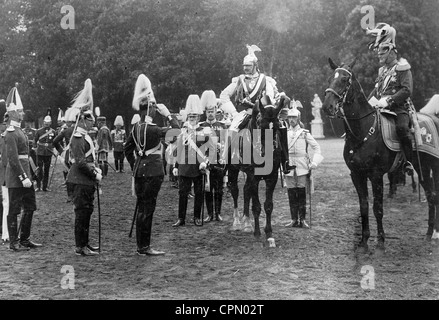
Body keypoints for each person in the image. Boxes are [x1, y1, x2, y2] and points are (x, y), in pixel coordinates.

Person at [124, 74, 180, 256]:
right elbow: (176, 133)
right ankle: (144, 247)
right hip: (153, 172)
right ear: (149, 110)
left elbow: (127, 149)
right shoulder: (154, 129)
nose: (156, 111)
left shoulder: (135, 128)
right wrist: (169, 115)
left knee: (142, 208)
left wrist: (135, 165)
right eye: (154, 108)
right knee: (148, 210)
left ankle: (141, 246)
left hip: (139, 172)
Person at [366, 23, 414, 176]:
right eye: (378, 51)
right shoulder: (382, 71)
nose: (379, 54)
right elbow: (377, 90)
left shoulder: (402, 67)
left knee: (401, 129)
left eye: (382, 51)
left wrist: (389, 100)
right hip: (380, 109)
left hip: (399, 108)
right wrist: (367, 102)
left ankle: (408, 162)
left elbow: (406, 90)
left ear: (391, 51)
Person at [66, 78, 101, 256]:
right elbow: (80, 162)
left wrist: (95, 170)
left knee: (87, 212)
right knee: (82, 213)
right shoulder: (78, 137)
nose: (92, 124)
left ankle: (85, 243)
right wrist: (94, 173)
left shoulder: (85, 136)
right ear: (82, 121)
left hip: (85, 180)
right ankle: (80, 246)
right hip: (80, 180)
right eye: (89, 121)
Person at [4, 86, 42, 251]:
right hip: (16, 177)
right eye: (19, 111)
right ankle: (13, 241)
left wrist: (30, 175)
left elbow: (26, 156)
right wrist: (23, 177)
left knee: (30, 206)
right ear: (12, 113)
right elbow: (13, 160)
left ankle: (25, 238)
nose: (22, 113)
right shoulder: (11, 132)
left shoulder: (19, 130)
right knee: (13, 210)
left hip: (26, 175)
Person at [172, 94, 210, 227]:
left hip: (199, 166)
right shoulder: (183, 132)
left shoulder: (204, 131)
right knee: (182, 193)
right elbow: (179, 149)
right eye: (190, 116)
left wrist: (206, 162)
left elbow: (209, 149)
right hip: (184, 165)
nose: (192, 118)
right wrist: (176, 166)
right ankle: (181, 218)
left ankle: (197, 217)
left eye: (194, 116)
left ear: (199, 117)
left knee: (199, 194)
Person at [284, 106, 323, 228]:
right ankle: (293, 219)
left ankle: (303, 220)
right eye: (290, 117)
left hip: (302, 164)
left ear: (298, 118)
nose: (291, 120)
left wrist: (314, 163)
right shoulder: (284, 133)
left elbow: (317, 147)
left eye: (294, 117)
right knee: (291, 192)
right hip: (289, 164)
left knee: (301, 192)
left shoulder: (304, 133)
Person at [199, 90, 227, 222]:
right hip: (205, 162)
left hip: (219, 162)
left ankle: (218, 213)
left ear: (216, 111)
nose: (210, 113)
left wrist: (222, 148)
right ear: (205, 112)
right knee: (207, 189)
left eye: (212, 111)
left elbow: (227, 143)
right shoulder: (201, 126)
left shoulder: (222, 126)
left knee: (219, 189)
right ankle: (209, 213)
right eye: (208, 111)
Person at [53, 107, 75, 201]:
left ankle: (70, 195)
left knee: (68, 174)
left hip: (67, 155)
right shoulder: (79, 130)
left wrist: (61, 150)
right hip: (77, 155)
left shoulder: (65, 131)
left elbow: (55, 141)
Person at [34, 113, 55, 191]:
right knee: (39, 169)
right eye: (45, 122)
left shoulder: (53, 131)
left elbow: (55, 141)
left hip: (48, 152)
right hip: (40, 152)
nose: (46, 124)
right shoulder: (39, 131)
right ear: (43, 122)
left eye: (48, 122)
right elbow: (35, 140)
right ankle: (38, 186)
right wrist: (35, 148)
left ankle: (45, 187)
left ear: (50, 123)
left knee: (47, 169)